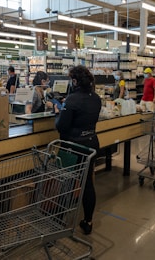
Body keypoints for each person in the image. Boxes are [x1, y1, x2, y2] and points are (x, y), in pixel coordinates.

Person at [54, 65, 101, 235]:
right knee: (87, 184)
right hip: (91, 145)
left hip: (72, 148)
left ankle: (59, 218)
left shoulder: (72, 100)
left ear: (74, 81)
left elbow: (61, 127)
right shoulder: (96, 98)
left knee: (66, 181)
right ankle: (88, 222)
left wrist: (58, 112)